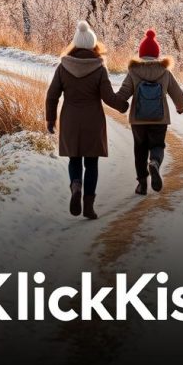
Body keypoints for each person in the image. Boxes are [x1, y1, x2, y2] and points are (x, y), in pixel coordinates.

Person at [45, 20, 128, 220]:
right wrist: (122, 105)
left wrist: (50, 119)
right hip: (93, 122)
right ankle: (89, 207)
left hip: (70, 120)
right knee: (91, 164)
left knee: (75, 159)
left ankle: (75, 185)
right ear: (93, 45)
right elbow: (108, 97)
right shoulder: (99, 68)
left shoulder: (63, 67)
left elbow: (52, 95)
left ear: (74, 44)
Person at [117, 29, 183, 195]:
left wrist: (116, 102)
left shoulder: (133, 71)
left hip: (138, 120)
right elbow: (177, 93)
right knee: (158, 145)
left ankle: (142, 185)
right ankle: (154, 162)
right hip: (159, 119)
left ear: (140, 53)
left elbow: (124, 93)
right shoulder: (165, 72)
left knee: (139, 149)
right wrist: (180, 107)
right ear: (157, 54)